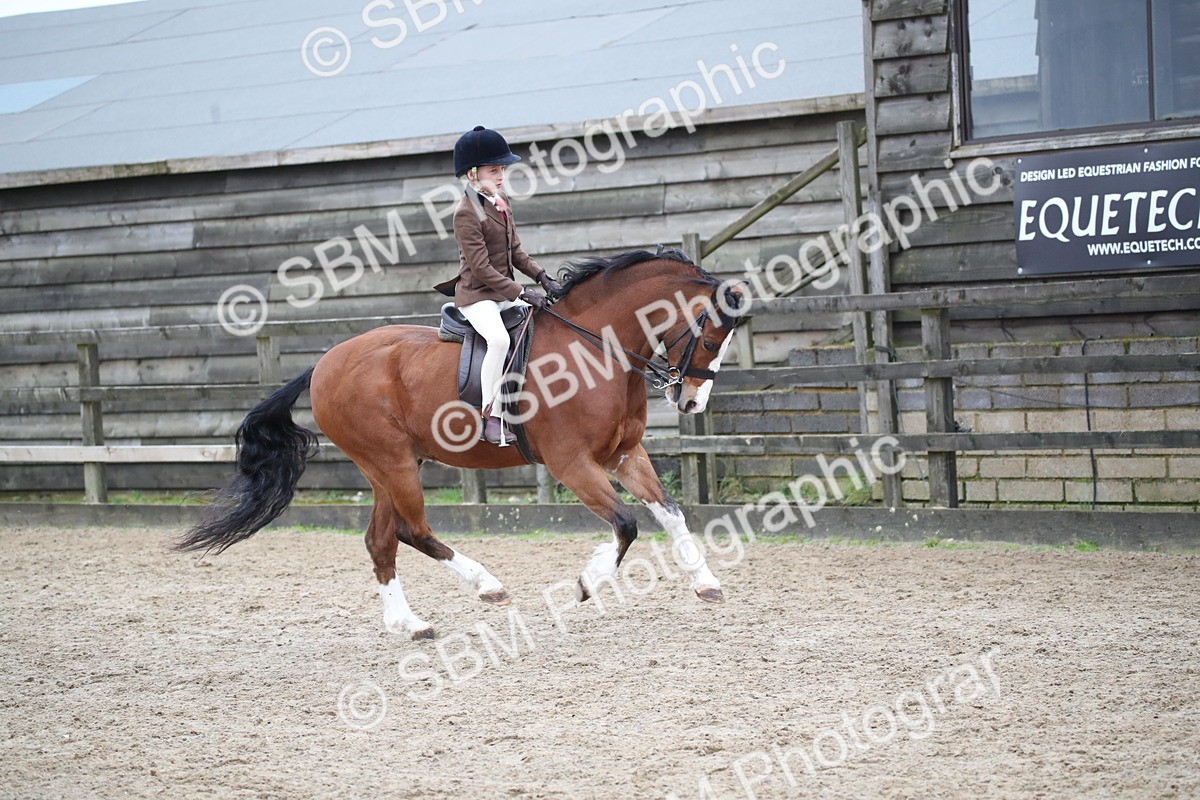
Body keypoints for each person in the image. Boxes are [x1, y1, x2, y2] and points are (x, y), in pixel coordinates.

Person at [434, 126, 563, 444]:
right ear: (472, 174)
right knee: (499, 341)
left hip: (503, 291)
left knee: (547, 322)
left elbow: (515, 251)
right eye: (495, 170)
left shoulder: (500, 202)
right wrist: (522, 292)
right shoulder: (465, 213)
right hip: (477, 296)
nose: (502, 175)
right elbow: (481, 268)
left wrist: (541, 276)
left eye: (503, 169)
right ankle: (491, 415)